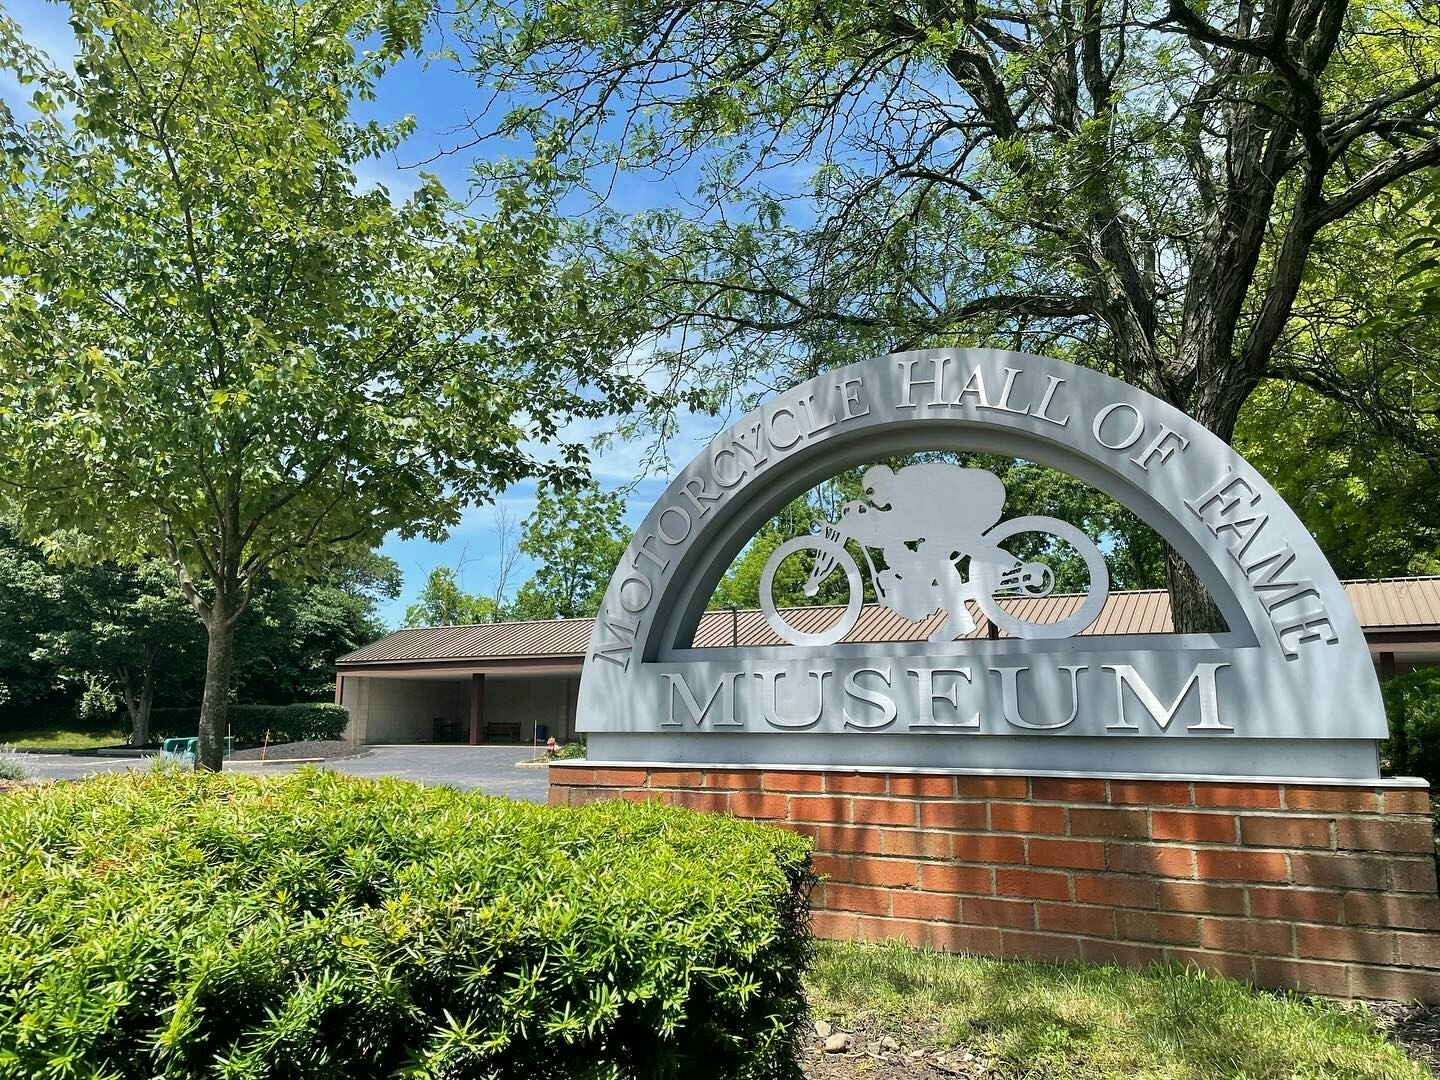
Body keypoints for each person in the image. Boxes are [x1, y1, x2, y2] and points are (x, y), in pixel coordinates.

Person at [838, 463, 1014, 640]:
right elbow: (912, 525)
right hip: (976, 498)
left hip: (980, 499)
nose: (871, 500)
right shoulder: (901, 489)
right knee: (933, 549)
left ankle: (960, 617)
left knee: (934, 555)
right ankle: (997, 566)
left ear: (879, 483)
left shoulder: (905, 488)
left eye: (870, 491)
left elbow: (915, 525)